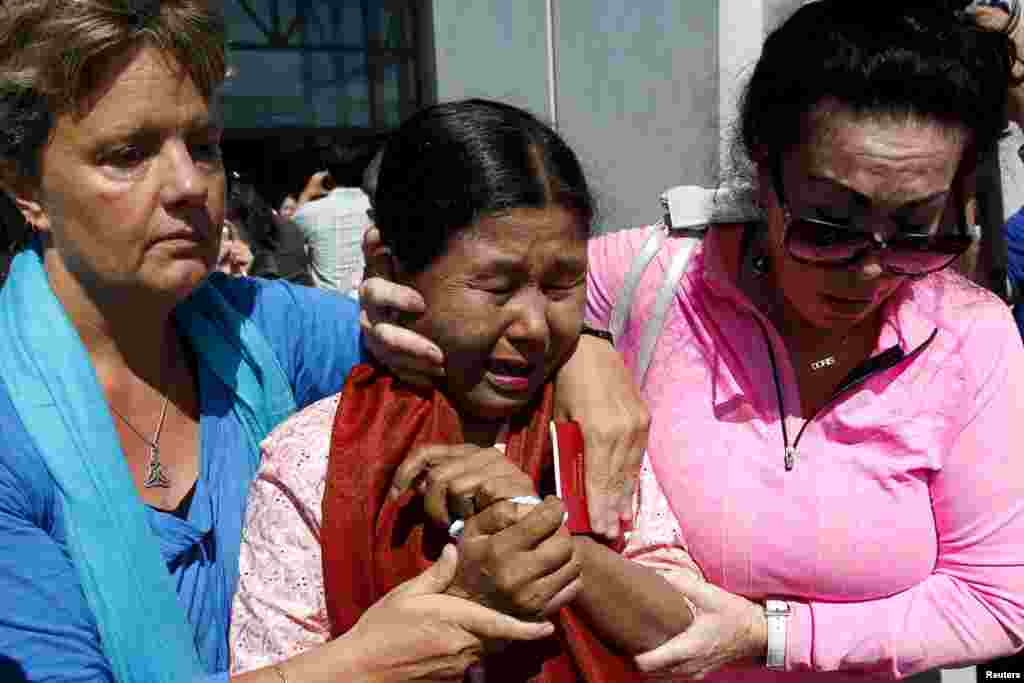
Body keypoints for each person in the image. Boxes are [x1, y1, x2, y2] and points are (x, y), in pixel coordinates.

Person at [361, 1, 1024, 678]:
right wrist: (573, 346)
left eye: (917, 229)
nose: (872, 267)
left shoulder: (971, 337)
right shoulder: (652, 280)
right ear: (763, 173)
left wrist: (772, 634)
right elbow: (481, 297)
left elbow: (1000, 600)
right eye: (828, 225)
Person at [0, 2, 647, 682]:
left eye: (202, 145)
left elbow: (468, 344)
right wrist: (360, 667)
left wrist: (587, 353)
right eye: (127, 155)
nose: (189, 185)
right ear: (25, 186)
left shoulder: (265, 333)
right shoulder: (14, 429)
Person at [230, 99, 701, 682]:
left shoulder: (595, 424)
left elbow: (689, 638)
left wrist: (545, 534)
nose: (533, 325)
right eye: (495, 286)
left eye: (561, 285)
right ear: (392, 266)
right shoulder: (312, 460)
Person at [292, 139, 381, 295]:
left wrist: (307, 192)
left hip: (327, 306)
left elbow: (286, 237)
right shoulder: (375, 208)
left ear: (329, 176)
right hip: (366, 299)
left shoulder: (309, 213)